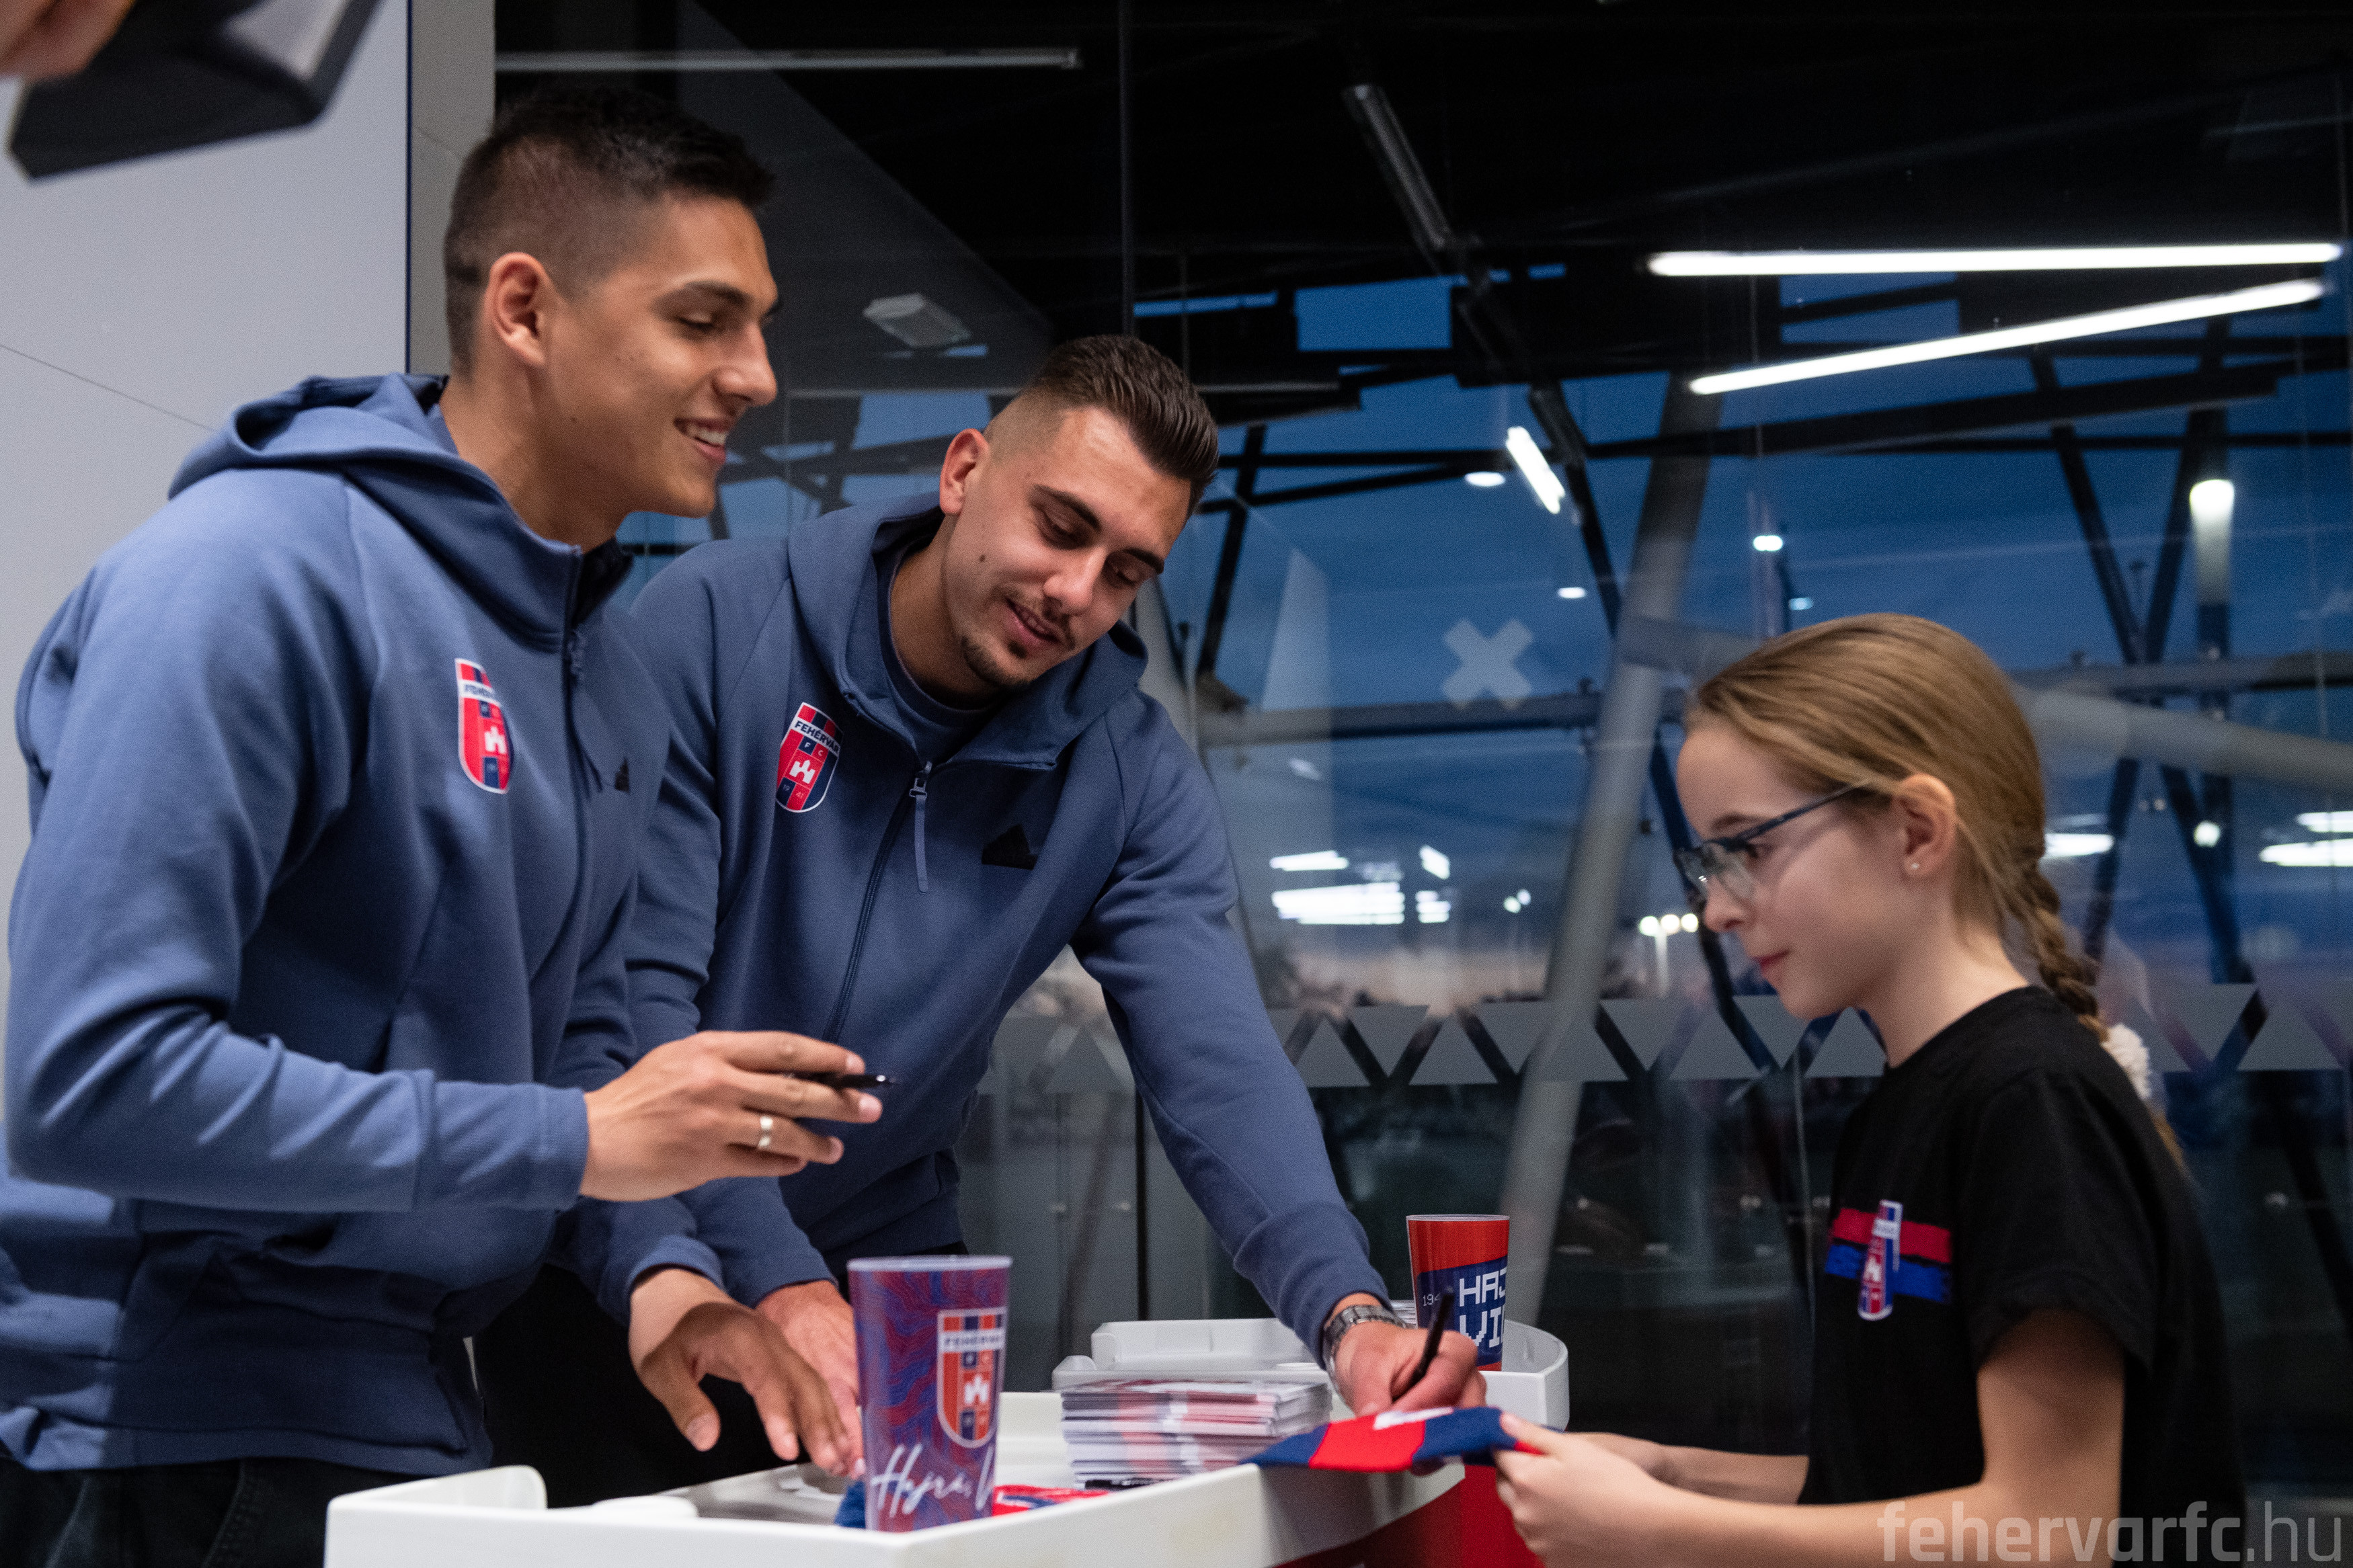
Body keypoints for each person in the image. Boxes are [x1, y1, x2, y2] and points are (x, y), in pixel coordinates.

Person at [0, 88, 871, 1567]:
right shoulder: (249, 576)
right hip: (164, 1437)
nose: (757, 376)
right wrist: (574, 1140)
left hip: (415, 1423)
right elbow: (91, 1080)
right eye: (703, 320)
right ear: (525, 309)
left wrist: (660, 1272)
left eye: (760, 327)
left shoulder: (603, 669)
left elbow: (579, 1052)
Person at [473, 334, 1486, 1499]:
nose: (1077, 593)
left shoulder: (1127, 771)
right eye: (1061, 526)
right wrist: (774, 1276)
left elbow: (1218, 1064)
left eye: (1126, 571)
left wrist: (1348, 1314)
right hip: (636, 1278)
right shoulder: (717, 627)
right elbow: (637, 1002)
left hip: (885, 1285)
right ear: (964, 471)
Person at [1492, 614, 2242, 1565]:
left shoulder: (2032, 1103)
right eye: (1706, 864)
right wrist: (1670, 1472)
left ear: (1918, 831)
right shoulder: (1902, 1106)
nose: (1716, 909)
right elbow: (1891, 1489)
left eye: (1747, 849)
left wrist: (1658, 1528)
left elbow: (2053, 1531)